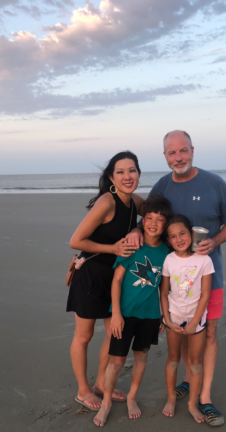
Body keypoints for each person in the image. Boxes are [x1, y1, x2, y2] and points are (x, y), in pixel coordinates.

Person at [127, 130, 226, 426]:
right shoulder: (163, 186)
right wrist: (138, 231)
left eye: (183, 151)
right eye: (171, 153)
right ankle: (187, 383)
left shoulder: (215, 183)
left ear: (192, 150)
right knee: (177, 337)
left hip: (207, 277)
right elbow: (149, 221)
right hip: (173, 281)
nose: (178, 157)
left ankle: (204, 397)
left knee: (209, 334)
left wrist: (214, 241)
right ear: (165, 156)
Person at [67, 151, 145, 411]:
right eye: (120, 172)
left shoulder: (135, 201)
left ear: (139, 174)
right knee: (84, 336)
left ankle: (101, 384)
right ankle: (83, 391)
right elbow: (75, 241)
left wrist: (137, 228)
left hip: (115, 278)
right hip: (91, 276)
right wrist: (113, 249)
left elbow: (156, 216)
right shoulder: (107, 202)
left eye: (132, 170)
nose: (127, 176)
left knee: (114, 335)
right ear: (112, 177)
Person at [93, 195, 173, 427]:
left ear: (165, 224)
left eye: (160, 220)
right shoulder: (131, 246)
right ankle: (106, 401)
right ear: (142, 219)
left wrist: (162, 316)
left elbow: (163, 289)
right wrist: (115, 313)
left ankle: (132, 397)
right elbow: (117, 281)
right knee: (116, 361)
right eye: (149, 218)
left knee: (141, 357)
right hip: (124, 314)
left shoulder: (167, 252)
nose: (153, 223)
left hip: (149, 316)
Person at [160, 214, 214, 424]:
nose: (179, 239)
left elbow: (206, 294)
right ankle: (171, 398)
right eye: (172, 236)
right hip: (173, 317)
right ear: (168, 241)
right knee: (173, 359)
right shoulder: (169, 259)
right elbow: (164, 293)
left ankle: (193, 403)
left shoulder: (204, 259)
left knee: (194, 362)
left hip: (196, 318)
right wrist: (167, 319)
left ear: (191, 233)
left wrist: (194, 322)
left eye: (182, 233)